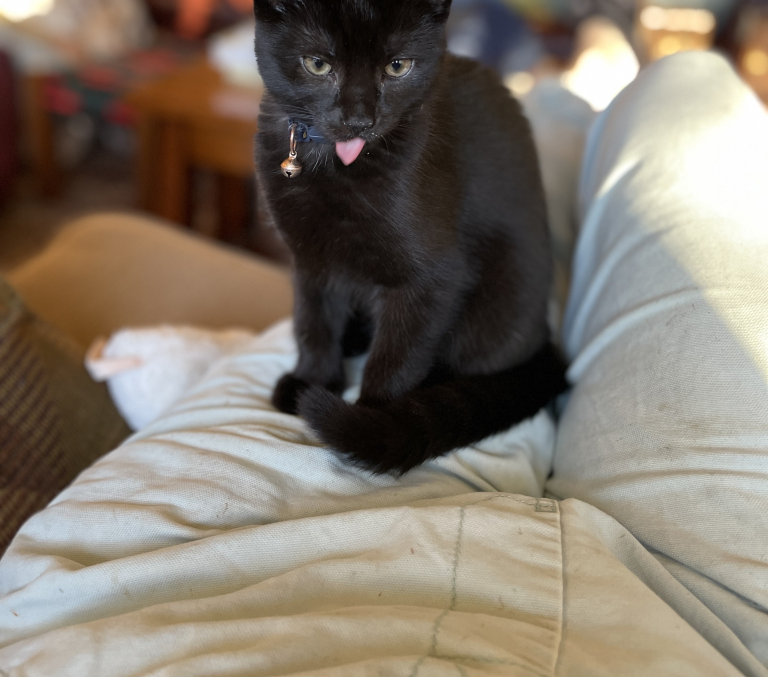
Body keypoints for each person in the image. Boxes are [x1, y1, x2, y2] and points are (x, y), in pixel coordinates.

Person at [0, 50, 766, 676]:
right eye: (324, 65)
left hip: (461, 342)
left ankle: (573, 99)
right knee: (684, 89)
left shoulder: (33, 618)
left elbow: (414, 276)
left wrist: (353, 388)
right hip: (644, 580)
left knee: (557, 150)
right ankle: (580, 94)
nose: (355, 102)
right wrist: (336, 372)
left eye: (388, 68)